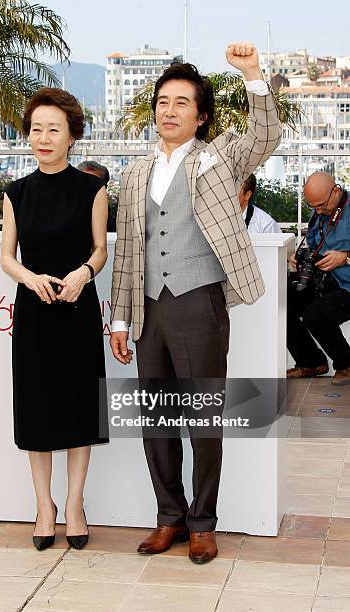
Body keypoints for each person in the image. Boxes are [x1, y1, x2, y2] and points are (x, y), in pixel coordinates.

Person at [110, 43, 281, 564]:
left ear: (200, 115)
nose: (169, 110)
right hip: (148, 309)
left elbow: (265, 137)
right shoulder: (136, 172)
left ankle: (204, 523)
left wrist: (251, 74)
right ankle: (170, 517)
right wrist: (119, 317)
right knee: (156, 420)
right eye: (163, 101)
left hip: (200, 301)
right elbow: (128, 252)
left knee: (204, 419)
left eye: (182, 102)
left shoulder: (218, 156)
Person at [0, 88, 109, 551]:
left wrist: (83, 274)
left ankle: (76, 504)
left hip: (78, 310)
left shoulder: (92, 189)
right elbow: (6, 257)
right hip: (34, 314)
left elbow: (100, 249)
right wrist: (29, 278)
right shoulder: (16, 192)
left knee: (78, 408)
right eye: (36, 129)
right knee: (38, 409)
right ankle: (44, 506)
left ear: (72, 137)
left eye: (53, 130)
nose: (43, 138)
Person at [287, 172, 350, 384]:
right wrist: (299, 258)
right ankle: (311, 361)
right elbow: (314, 245)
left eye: (321, 205)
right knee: (284, 300)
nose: (318, 211)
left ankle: (346, 364)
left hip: (347, 287)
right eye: (313, 206)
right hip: (326, 282)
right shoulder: (320, 213)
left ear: (336, 191)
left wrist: (345, 257)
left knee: (315, 315)